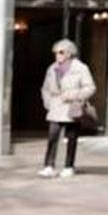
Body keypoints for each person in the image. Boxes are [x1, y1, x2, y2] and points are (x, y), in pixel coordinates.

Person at [38, 39, 97, 178]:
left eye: (61, 52)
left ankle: (69, 166)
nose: (57, 55)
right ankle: (49, 166)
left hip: (72, 107)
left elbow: (91, 87)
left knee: (71, 137)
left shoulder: (81, 68)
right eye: (56, 52)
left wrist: (72, 95)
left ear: (69, 53)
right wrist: (47, 102)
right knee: (52, 136)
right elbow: (45, 87)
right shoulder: (52, 68)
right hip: (56, 107)